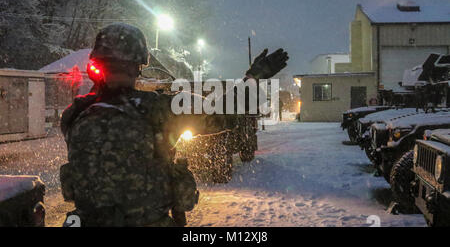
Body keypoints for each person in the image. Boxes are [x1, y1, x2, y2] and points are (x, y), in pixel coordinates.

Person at [59, 23, 288, 227]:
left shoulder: (75, 115)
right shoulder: (160, 109)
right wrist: (253, 77)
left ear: (95, 65)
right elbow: (221, 113)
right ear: (138, 67)